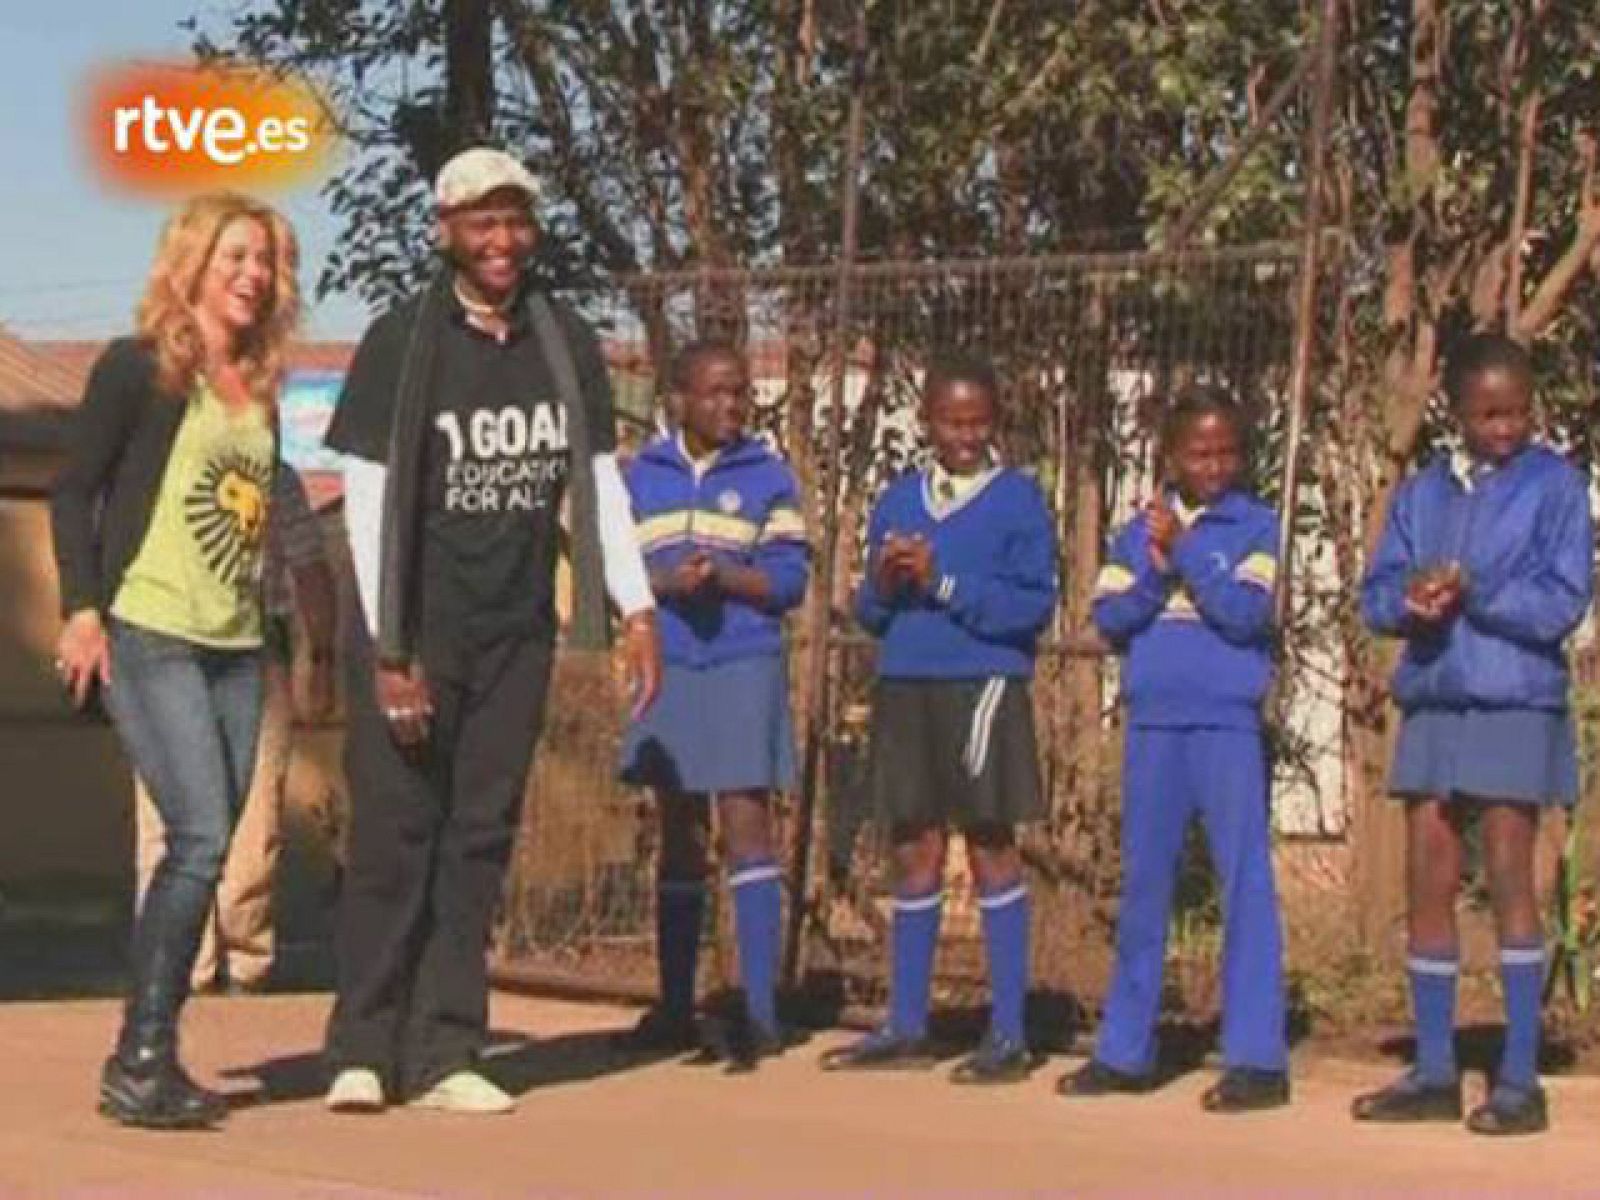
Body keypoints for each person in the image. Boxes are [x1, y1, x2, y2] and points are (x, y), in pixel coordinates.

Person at [320, 146, 660, 1115]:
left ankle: (446, 1050)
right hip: (415, 634)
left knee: (477, 838)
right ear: (447, 233)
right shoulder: (403, 341)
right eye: (481, 222)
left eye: (515, 220)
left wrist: (635, 607)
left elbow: (592, 482)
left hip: (513, 631)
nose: (501, 240)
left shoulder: (560, 341)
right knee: (397, 835)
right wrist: (391, 654)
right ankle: (363, 1044)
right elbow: (370, 504)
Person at [51, 192, 301, 1129]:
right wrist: (82, 610)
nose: (252, 274)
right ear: (191, 264)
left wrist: (285, 633)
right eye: (234, 255)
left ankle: (150, 1049)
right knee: (197, 835)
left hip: (238, 646)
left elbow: (256, 522)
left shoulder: (261, 387)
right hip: (149, 630)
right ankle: (141, 1058)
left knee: (213, 841)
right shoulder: (139, 371)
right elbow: (73, 493)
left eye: (266, 261)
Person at [1353, 333, 1591, 1136]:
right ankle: (1432, 1069)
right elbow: (1376, 590)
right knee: (1428, 871)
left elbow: (1562, 600)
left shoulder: (1556, 486)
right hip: (1436, 698)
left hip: (1514, 698)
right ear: (1455, 412)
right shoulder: (1423, 492)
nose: (1504, 426)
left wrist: (1476, 590)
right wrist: (1409, 601)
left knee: (1511, 873)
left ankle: (1520, 1078)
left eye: (1517, 411)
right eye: (1488, 413)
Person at [820, 354, 1057, 1083]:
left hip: (981, 684)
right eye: (951, 421)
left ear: (995, 423)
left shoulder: (1018, 499)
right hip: (907, 681)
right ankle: (906, 1022)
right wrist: (888, 583)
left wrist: (945, 581)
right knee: (912, 843)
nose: (964, 434)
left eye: (977, 421)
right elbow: (868, 609)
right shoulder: (898, 499)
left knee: (988, 840)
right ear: (926, 421)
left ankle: (1009, 1031)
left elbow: (1031, 607)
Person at [1060, 388, 1290, 1113]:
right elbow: (1112, 617)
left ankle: (1257, 1058)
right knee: (1145, 885)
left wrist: (1188, 553)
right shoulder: (1138, 531)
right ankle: (1126, 1050)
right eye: (1199, 452)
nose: (1213, 465)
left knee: (1243, 883)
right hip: (1155, 723)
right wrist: (1159, 565)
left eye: (1226, 452)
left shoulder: (1255, 526)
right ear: (1171, 456)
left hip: (1225, 723)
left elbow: (1245, 614)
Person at [617, 339, 809, 1071]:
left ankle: (761, 1010)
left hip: (740, 658)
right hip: (668, 660)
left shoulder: (767, 476)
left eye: (740, 393)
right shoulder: (643, 476)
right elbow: (619, 571)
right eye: (716, 393)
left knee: (745, 818)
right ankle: (673, 1004)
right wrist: (662, 586)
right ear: (679, 399)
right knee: (677, 827)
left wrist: (727, 578)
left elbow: (789, 579)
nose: (731, 405)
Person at [132, 465, 336, 994]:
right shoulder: (160, 464)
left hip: (254, 650)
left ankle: (244, 958)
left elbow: (311, 569)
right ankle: (178, 961)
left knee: (254, 814)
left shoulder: (277, 478)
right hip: (168, 647)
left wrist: (321, 656)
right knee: (167, 813)